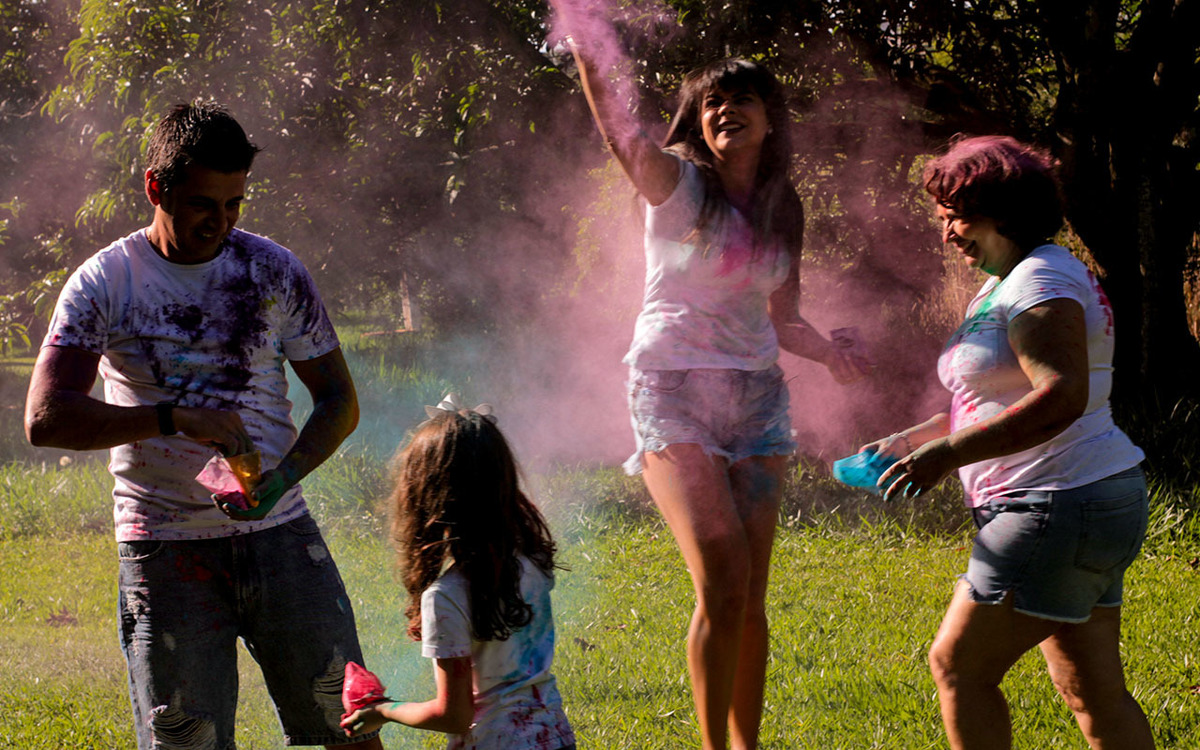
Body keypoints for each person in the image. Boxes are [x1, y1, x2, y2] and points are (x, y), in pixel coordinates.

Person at [24, 102, 383, 749]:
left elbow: (338, 400)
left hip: (281, 538)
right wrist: (171, 417)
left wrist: (284, 476)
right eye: (201, 204)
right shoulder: (106, 283)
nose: (219, 223)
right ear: (155, 187)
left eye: (234, 204)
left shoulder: (273, 270)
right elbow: (46, 418)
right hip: (163, 550)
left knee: (347, 729)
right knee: (187, 742)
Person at [553, 8, 864, 748]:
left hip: (757, 400)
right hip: (672, 391)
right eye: (713, 100)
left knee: (749, 597)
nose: (726, 108)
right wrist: (588, 40)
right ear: (698, 120)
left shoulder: (783, 207)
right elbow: (620, 136)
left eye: (743, 97)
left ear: (769, 118)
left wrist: (832, 356)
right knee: (721, 568)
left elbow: (784, 320)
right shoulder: (680, 189)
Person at [863, 135, 1154, 749]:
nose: (946, 235)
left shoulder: (1039, 280)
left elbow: (1062, 392)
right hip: (1087, 497)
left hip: (1055, 501)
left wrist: (945, 457)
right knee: (1091, 691)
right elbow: (995, 397)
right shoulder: (1019, 278)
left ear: (1002, 210)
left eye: (954, 218)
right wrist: (912, 439)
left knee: (958, 667)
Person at [341, 394, 575, 750]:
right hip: (554, 737)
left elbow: (455, 716)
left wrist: (383, 710)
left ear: (424, 495)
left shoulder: (445, 597)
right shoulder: (532, 561)